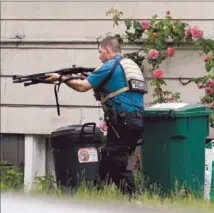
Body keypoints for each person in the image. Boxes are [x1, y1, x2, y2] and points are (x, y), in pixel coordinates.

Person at [45, 36, 146, 198]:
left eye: (100, 52)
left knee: (117, 163)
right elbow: (116, 88)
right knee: (108, 158)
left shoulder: (109, 66)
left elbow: (82, 87)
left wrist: (61, 78)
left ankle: (135, 200)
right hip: (136, 121)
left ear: (107, 50)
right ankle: (93, 196)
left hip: (123, 121)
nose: (99, 56)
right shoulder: (128, 65)